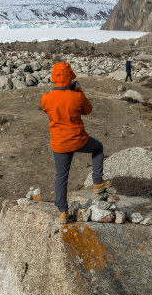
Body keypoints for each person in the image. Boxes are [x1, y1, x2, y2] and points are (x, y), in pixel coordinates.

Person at [40, 62, 109, 224]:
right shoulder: (77, 97)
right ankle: (97, 181)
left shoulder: (46, 99)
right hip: (78, 140)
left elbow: (48, 109)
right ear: (70, 77)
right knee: (98, 147)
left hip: (59, 143)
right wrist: (78, 90)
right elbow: (88, 110)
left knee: (61, 176)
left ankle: (63, 212)